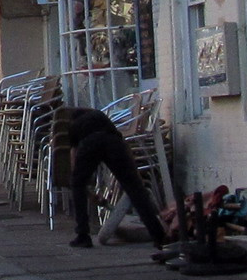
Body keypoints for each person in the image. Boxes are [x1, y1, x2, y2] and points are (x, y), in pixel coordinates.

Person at [47, 94, 169, 250]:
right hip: (113, 143)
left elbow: (74, 154)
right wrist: (134, 173)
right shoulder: (101, 116)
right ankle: (158, 235)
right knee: (134, 189)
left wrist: (78, 180)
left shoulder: (73, 125)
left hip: (89, 143)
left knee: (77, 185)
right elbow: (123, 145)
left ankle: (83, 235)